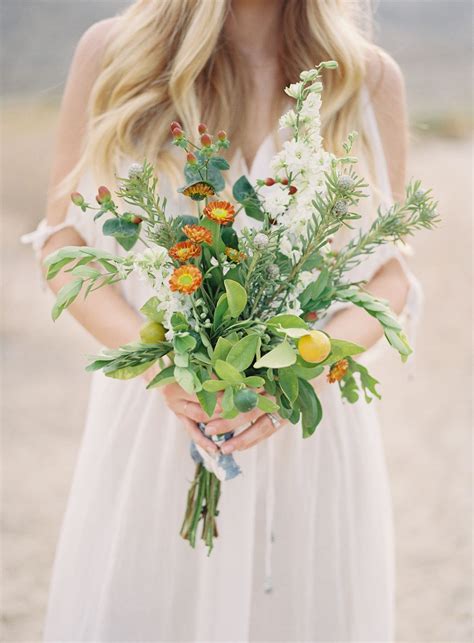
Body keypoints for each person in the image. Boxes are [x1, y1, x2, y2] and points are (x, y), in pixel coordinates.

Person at [25, 1, 422, 640]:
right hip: (156, 424)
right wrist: (160, 366)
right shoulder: (115, 53)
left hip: (304, 429)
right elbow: (61, 244)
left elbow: (390, 273)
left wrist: (298, 374)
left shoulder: (366, 78)